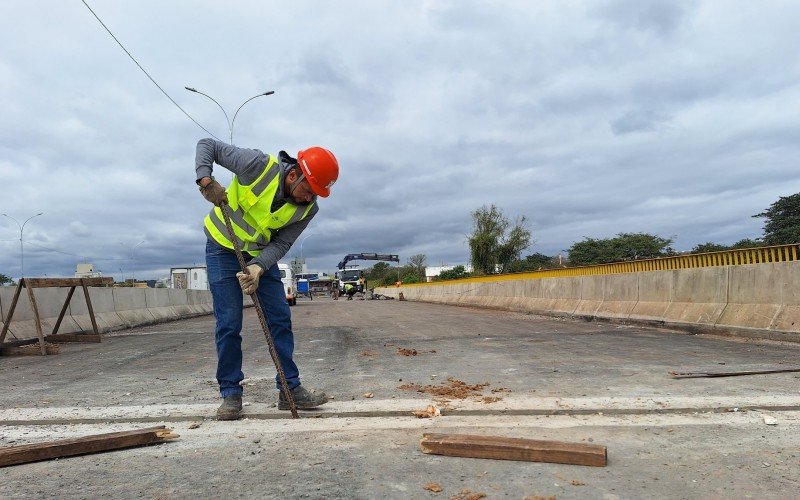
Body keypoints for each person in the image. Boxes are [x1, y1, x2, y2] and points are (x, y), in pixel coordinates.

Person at [195, 138, 338, 420]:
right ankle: (231, 393)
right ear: (294, 174)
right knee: (228, 322)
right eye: (308, 190)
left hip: (260, 256)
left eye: (316, 194)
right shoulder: (257, 165)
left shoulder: (309, 208)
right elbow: (206, 144)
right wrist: (205, 180)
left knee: (280, 319)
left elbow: (282, 243)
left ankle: (289, 390)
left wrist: (259, 267)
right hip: (223, 246)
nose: (309, 198)